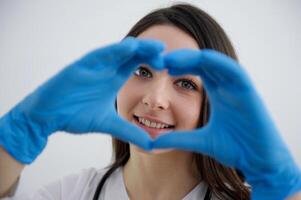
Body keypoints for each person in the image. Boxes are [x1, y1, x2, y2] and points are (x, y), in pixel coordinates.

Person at [0, 3, 301, 200]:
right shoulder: (70, 194)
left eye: (185, 83)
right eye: (142, 71)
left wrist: (281, 184)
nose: (155, 99)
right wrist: (24, 127)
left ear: (214, 104)